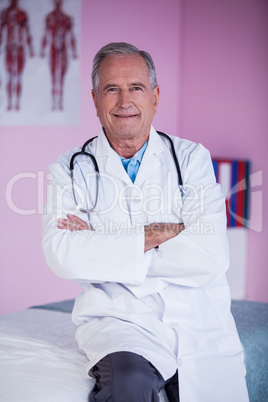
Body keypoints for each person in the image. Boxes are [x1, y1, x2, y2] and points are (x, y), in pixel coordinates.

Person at [42, 42, 249, 401]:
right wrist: (163, 232)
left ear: (154, 96)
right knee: (129, 387)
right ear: (94, 99)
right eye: (112, 89)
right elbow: (63, 255)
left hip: (200, 322)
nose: (125, 101)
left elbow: (213, 255)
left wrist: (104, 245)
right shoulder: (70, 169)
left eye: (136, 88)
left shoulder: (190, 158)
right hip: (122, 324)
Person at [40, 0, 78, 111]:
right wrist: (42, 49)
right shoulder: (49, 17)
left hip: (63, 51)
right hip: (53, 51)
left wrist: (74, 52)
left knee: (61, 78)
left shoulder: (67, 19)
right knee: (53, 77)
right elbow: (46, 34)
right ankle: (53, 103)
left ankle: (60, 102)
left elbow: (71, 36)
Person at [0, 0, 34, 111]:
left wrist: (31, 49)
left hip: (20, 49)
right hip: (9, 48)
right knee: (9, 77)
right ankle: (10, 103)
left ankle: (17, 103)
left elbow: (27, 31)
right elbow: (1, 32)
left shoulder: (22, 14)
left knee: (19, 77)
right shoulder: (5, 13)